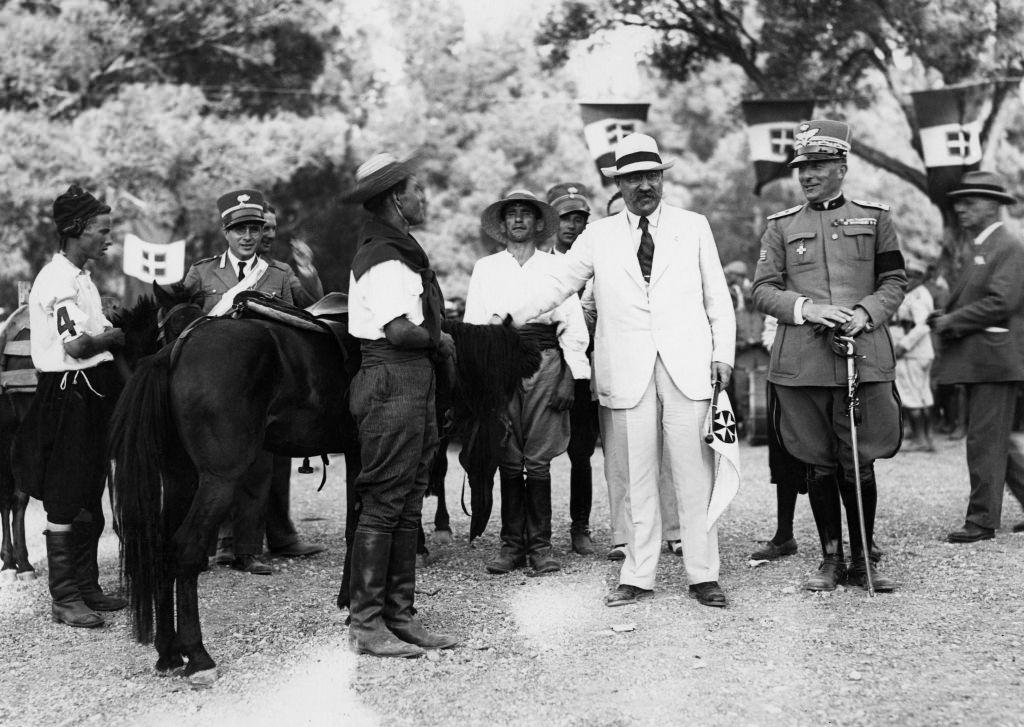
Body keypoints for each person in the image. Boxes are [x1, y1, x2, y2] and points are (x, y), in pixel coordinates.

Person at [508, 133, 736, 608]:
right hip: (626, 372)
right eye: (632, 177)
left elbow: (718, 297)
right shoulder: (599, 235)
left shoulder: (694, 226)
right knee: (633, 478)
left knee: (695, 476)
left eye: (651, 175)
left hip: (689, 368)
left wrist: (724, 355)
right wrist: (506, 316)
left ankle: (703, 574)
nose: (643, 185)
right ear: (619, 183)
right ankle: (638, 574)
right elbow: (559, 281)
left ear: (661, 178)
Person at [752, 118, 905, 593]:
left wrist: (866, 313)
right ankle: (829, 558)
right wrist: (808, 309)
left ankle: (864, 558)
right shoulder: (780, 227)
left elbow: (895, 282)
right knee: (816, 461)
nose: (808, 175)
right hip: (803, 363)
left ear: (841, 165)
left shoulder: (876, 218)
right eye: (802, 167)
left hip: (862, 357)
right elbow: (762, 289)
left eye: (818, 165)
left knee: (859, 459)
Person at [345, 151, 458, 657]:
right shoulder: (384, 255)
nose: (424, 197)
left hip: (412, 379)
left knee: (410, 496)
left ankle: (399, 613)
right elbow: (399, 330)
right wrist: (441, 339)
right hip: (392, 374)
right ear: (396, 197)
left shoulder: (401, 248)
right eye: (418, 189)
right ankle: (366, 624)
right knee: (386, 500)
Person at [11, 184, 127, 627]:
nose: (108, 238)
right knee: (64, 496)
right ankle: (63, 598)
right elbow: (77, 346)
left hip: (90, 390)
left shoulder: (81, 277)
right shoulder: (58, 280)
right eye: (102, 230)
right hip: (67, 393)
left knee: (89, 489)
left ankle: (86, 584)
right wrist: (112, 338)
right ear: (77, 230)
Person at [465, 190, 589, 575]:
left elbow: (572, 327)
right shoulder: (486, 268)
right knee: (506, 451)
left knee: (537, 457)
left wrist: (570, 377)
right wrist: (482, 380)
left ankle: (541, 546)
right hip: (500, 365)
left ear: (538, 224)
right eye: (511, 215)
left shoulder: (557, 268)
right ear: (502, 226)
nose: (518, 220)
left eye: (526, 215)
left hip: (546, 361)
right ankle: (510, 545)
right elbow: (473, 326)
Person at [182, 188, 303, 575]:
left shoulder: (279, 275)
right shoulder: (201, 273)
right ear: (226, 234)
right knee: (207, 466)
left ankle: (247, 550)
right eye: (239, 230)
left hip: (261, 386)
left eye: (254, 228)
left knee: (257, 466)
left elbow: (301, 322)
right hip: (214, 386)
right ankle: (205, 547)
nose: (248, 237)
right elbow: (183, 323)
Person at [930, 171, 1024, 542]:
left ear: (994, 205)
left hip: (994, 360)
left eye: (970, 201)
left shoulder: (1008, 245)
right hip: (985, 358)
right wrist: (946, 316)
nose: (960, 208)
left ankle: (982, 521)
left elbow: (1002, 302)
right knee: (996, 440)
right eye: (958, 201)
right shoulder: (984, 246)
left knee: (984, 440)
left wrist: (951, 319)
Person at [256, 203, 326, 559]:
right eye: (260, 226)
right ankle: (226, 541)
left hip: (274, 382)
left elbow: (315, 306)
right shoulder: (211, 271)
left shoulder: (282, 272)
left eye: (271, 228)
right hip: (228, 382)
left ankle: (281, 535)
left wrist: (308, 269)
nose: (267, 235)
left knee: (276, 457)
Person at [545, 182, 598, 554]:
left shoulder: (598, 265)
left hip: (587, 369)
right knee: (539, 451)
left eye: (580, 218)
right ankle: (538, 530)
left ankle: (580, 526)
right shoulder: (540, 265)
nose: (573, 225)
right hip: (547, 368)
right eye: (565, 217)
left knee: (581, 452)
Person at [891, 256, 936, 452]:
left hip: (912, 353)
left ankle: (921, 439)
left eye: (910, 276)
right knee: (922, 395)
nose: (907, 280)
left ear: (919, 277)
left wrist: (903, 346)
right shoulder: (913, 293)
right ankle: (924, 436)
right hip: (919, 353)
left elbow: (923, 326)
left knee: (911, 395)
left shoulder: (917, 296)